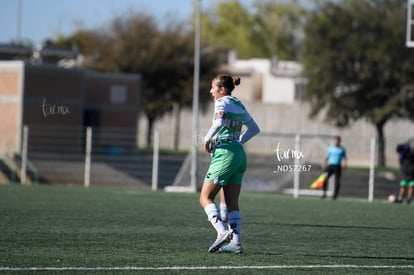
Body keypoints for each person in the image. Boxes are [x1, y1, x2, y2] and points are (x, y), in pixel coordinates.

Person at [199, 74, 260, 254]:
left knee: (205, 197)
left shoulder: (222, 102)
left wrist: (206, 139)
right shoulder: (239, 104)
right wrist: (238, 142)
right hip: (239, 155)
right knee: (232, 203)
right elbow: (255, 129)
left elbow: (218, 122)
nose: (211, 91)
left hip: (225, 153)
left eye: (213, 88)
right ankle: (236, 244)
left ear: (222, 90)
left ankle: (221, 232)